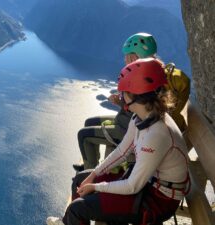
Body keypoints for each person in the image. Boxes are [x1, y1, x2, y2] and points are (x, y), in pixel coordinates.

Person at [47, 58, 190, 225]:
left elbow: (132, 187)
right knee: (81, 180)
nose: (121, 96)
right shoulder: (143, 116)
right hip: (148, 183)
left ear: (135, 95)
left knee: (77, 209)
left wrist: (95, 187)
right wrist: (94, 175)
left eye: (124, 92)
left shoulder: (156, 133)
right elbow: (123, 150)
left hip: (158, 200)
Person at [74, 32, 190, 171]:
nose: (124, 60)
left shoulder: (144, 76)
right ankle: (92, 163)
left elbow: (142, 110)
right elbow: (146, 106)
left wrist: (121, 103)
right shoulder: (157, 71)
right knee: (89, 122)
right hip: (135, 123)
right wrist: (121, 102)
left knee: (83, 135)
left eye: (126, 56)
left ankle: (89, 171)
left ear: (135, 56)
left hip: (134, 128)